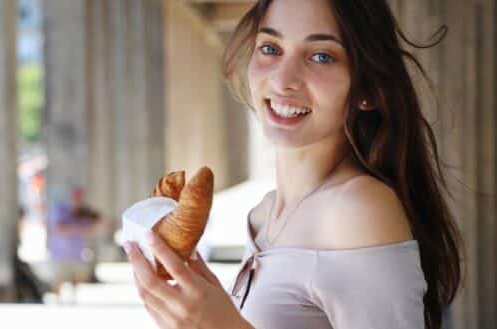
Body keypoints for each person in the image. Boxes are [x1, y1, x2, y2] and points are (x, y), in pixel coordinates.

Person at [123, 1, 464, 329]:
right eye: (270, 48)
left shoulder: (357, 209)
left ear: (369, 90)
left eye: (321, 56)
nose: (284, 80)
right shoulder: (265, 213)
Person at [47, 187, 103, 304]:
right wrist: (79, 227)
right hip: (60, 251)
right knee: (59, 277)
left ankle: (73, 299)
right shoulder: (61, 209)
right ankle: (58, 301)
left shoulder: (84, 212)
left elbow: (97, 224)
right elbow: (60, 228)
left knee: (76, 277)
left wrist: (77, 226)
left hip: (76, 252)